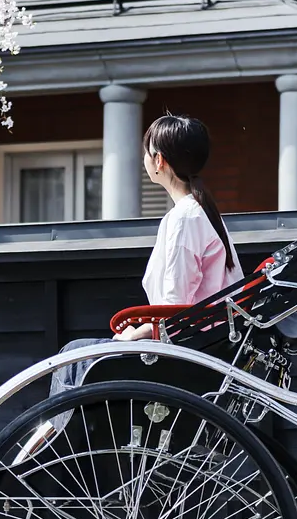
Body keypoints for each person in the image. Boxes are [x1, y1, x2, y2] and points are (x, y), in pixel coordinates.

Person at [50, 114, 244, 392]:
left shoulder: (185, 219)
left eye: (147, 152)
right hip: (200, 343)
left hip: (186, 352)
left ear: (159, 161)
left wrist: (137, 334)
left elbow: (175, 308)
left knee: (74, 354)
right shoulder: (203, 213)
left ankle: (61, 434)